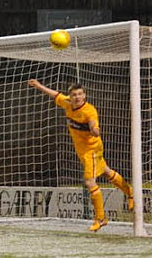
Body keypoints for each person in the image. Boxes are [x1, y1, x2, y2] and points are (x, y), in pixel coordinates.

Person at [28, 79, 134, 232]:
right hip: (83, 151)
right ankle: (130, 193)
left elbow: (93, 124)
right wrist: (39, 86)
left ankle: (101, 218)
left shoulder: (89, 111)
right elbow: (55, 94)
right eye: (74, 95)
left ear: (84, 96)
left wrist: (94, 130)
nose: (77, 97)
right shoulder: (67, 104)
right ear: (70, 97)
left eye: (80, 94)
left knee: (90, 181)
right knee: (106, 172)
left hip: (92, 149)